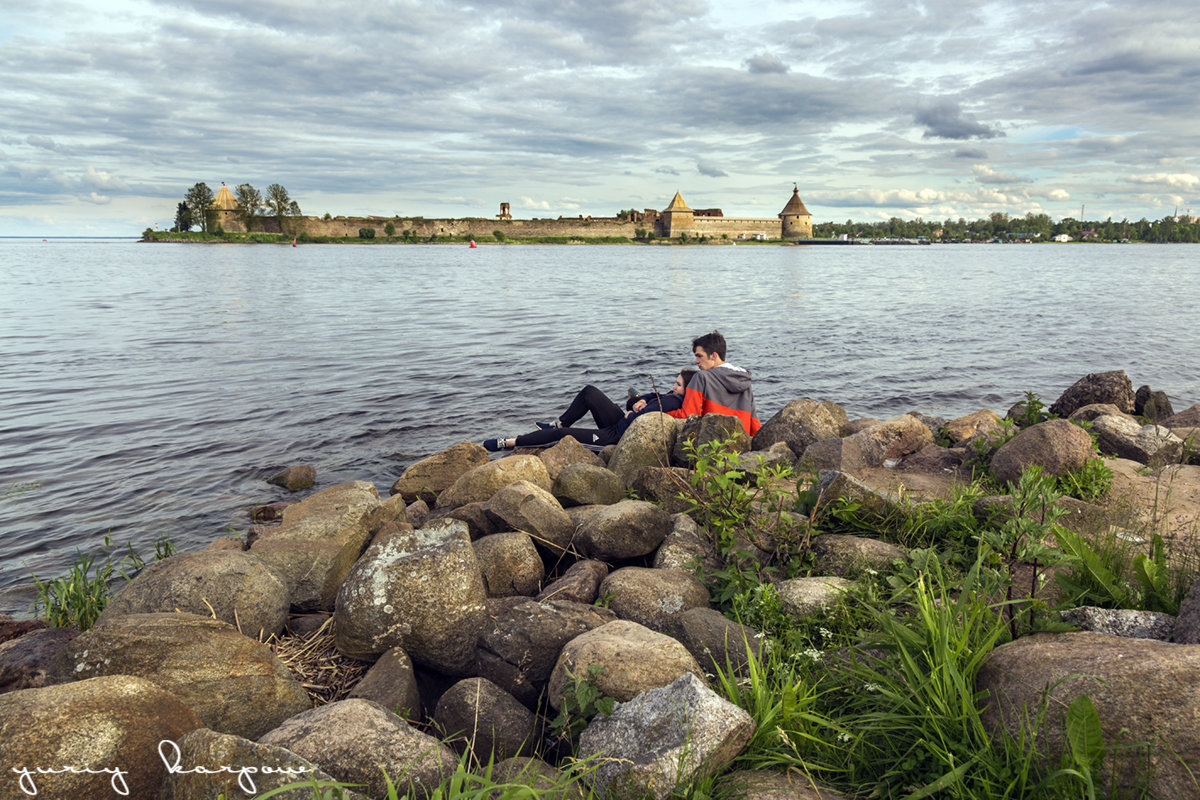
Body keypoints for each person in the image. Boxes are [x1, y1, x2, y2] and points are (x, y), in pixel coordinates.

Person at [484, 369, 696, 451]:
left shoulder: (672, 403)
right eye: (675, 382)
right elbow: (634, 401)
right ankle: (560, 421)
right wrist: (634, 405)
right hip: (618, 422)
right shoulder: (669, 394)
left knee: (561, 437)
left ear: (688, 390)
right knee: (590, 392)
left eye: (678, 384)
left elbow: (638, 418)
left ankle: (510, 442)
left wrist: (635, 412)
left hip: (616, 436)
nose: (673, 385)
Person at [682, 330, 761, 436]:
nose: (696, 361)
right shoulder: (744, 380)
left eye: (699, 356)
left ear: (714, 356)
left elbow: (687, 416)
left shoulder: (701, 377)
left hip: (710, 444)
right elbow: (754, 422)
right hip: (740, 444)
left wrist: (661, 412)